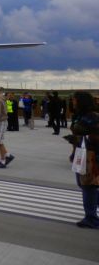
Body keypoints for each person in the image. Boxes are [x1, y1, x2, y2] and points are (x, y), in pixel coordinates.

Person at [69, 91, 99, 228]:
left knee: (88, 186)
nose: (72, 102)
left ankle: (91, 218)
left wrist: (82, 138)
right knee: (83, 184)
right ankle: (91, 214)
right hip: (81, 154)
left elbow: (95, 137)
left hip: (91, 155)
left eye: (74, 100)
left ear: (81, 101)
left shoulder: (93, 117)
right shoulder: (80, 115)